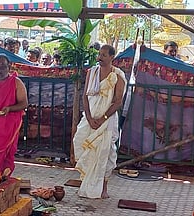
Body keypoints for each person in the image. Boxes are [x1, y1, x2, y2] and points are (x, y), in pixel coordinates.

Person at [72, 44, 127, 199]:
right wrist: (89, 118)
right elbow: (85, 96)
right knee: (80, 141)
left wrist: (103, 118)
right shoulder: (92, 72)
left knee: (104, 152)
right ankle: (86, 183)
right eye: (99, 54)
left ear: (112, 57)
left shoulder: (118, 75)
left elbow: (117, 101)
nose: (100, 58)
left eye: (104, 55)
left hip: (107, 120)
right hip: (90, 117)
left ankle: (103, 189)